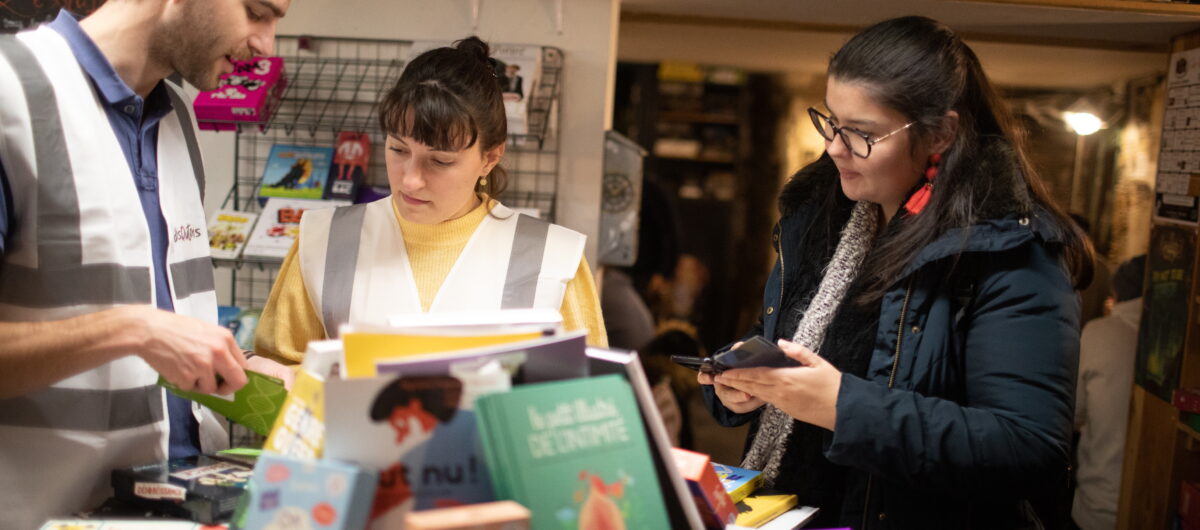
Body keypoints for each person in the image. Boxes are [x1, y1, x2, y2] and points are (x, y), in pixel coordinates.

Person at [699, 16, 1093, 529]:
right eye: (832, 122)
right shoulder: (822, 219)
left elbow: (1026, 448)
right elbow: (784, 338)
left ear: (942, 133)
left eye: (862, 133)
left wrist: (844, 407)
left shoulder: (1009, 250)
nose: (834, 148)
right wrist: (743, 378)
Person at [0, 1, 292, 527]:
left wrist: (242, 366)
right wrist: (134, 328)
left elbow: (161, 320)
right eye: (256, 11)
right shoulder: (9, 92)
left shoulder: (178, 118)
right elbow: (138, 328)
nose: (266, 44)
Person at [255, 37, 606, 364]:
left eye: (440, 161)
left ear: (490, 157)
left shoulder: (554, 258)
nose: (410, 179)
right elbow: (277, 379)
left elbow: (589, 399)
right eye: (397, 149)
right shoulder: (325, 240)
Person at [1072, 254, 1145, 530]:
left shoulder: (1100, 333)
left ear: (1118, 293)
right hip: (1160, 510)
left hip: (1096, 505)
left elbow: (1075, 410)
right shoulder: (1184, 348)